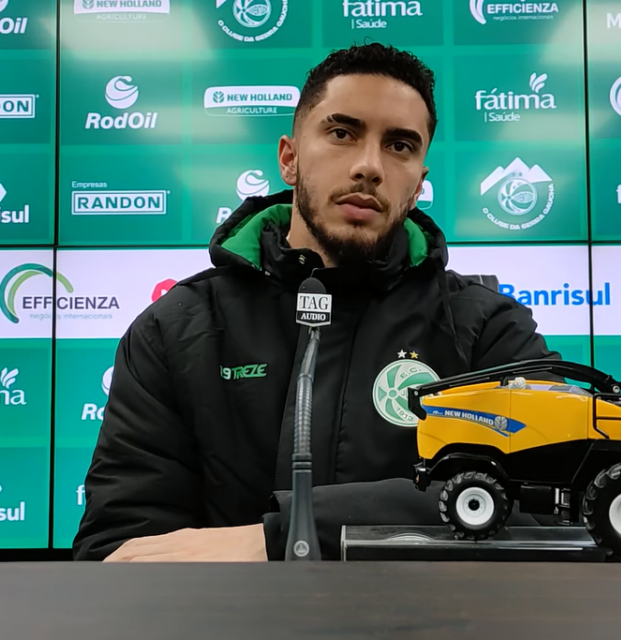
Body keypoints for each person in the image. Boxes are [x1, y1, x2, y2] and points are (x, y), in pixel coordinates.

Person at [73, 43, 562, 562]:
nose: (369, 166)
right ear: (289, 157)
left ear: (419, 182)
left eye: (399, 146)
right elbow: (121, 552)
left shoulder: (485, 328)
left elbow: (548, 511)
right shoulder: (177, 330)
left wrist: (284, 537)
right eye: (342, 133)